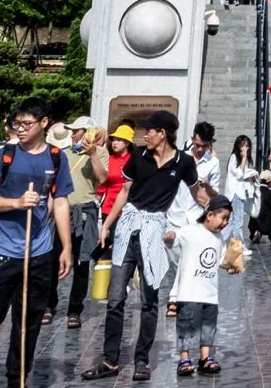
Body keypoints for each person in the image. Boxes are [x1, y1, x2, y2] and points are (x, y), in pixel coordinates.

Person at [0, 100, 74, 388]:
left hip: (40, 252)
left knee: (29, 321)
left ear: (44, 123)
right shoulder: (4, 155)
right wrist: (16, 202)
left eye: (26, 124)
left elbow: (60, 201)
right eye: (16, 124)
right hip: (1, 248)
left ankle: (16, 378)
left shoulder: (57, 158)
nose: (19, 129)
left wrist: (65, 246)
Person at [84, 111, 196, 380]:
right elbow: (124, 191)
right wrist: (107, 225)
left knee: (149, 300)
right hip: (127, 229)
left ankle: (142, 361)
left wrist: (216, 213)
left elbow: (197, 192)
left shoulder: (184, 162)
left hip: (154, 231)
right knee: (115, 299)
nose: (145, 134)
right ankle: (110, 361)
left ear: (163, 133)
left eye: (150, 130)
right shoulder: (139, 157)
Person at [69, 123, 130, 330]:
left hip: (124, 210)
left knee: (115, 249)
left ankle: (120, 283)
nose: (116, 142)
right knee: (101, 249)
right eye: (114, 139)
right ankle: (109, 282)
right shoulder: (107, 156)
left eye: (120, 140)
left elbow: (110, 180)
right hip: (105, 207)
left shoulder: (130, 160)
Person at [166, 200, 229, 376]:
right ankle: (184, 358)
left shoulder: (219, 238)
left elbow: (221, 260)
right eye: (223, 218)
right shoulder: (190, 231)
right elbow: (174, 240)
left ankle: (205, 358)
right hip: (189, 290)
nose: (225, 223)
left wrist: (232, 262)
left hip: (210, 292)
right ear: (209, 215)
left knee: (209, 326)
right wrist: (169, 237)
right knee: (185, 326)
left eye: (227, 220)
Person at [223, 136, 257, 255]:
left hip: (240, 192)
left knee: (233, 221)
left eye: (247, 146)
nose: (245, 148)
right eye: (243, 145)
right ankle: (239, 246)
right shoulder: (234, 158)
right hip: (235, 193)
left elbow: (243, 174)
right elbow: (238, 174)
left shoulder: (246, 160)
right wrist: (243, 158)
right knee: (237, 221)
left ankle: (226, 244)